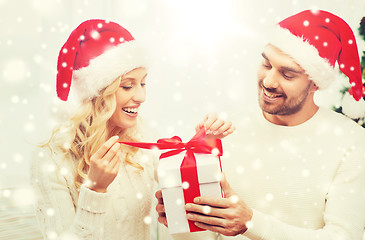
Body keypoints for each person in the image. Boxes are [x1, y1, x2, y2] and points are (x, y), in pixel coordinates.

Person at [156, 9, 365, 240]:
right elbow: (210, 235)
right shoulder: (227, 130)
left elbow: (343, 237)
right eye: (266, 64)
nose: (268, 81)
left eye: (287, 74)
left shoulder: (351, 143)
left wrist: (250, 222)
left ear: (315, 83)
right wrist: (183, 218)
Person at [30, 19, 235, 240]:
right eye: (128, 85)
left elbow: (192, 217)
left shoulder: (142, 135)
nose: (141, 97)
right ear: (97, 92)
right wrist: (95, 190)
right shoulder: (50, 160)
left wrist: (201, 149)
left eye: (143, 83)